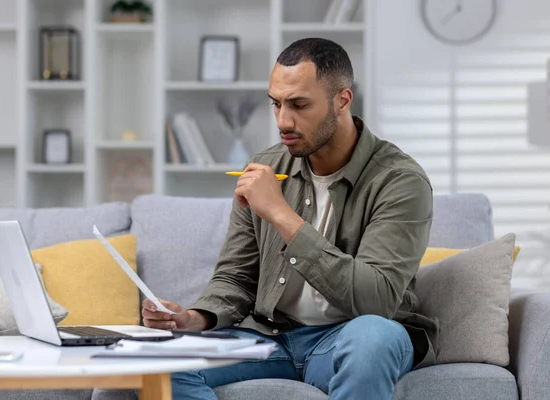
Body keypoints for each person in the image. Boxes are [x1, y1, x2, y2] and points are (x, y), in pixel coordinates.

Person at [142, 37, 438, 399]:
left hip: (349, 336)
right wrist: (195, 318)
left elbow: (376, 300)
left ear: (342, 100)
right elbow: (236, 277)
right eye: (276, 104)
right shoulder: (266, 166)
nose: (283, 121)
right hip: (269, 337)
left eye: (299, 105)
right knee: (162, 362)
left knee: (375, 339)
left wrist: (280, 213)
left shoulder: (400, 181)